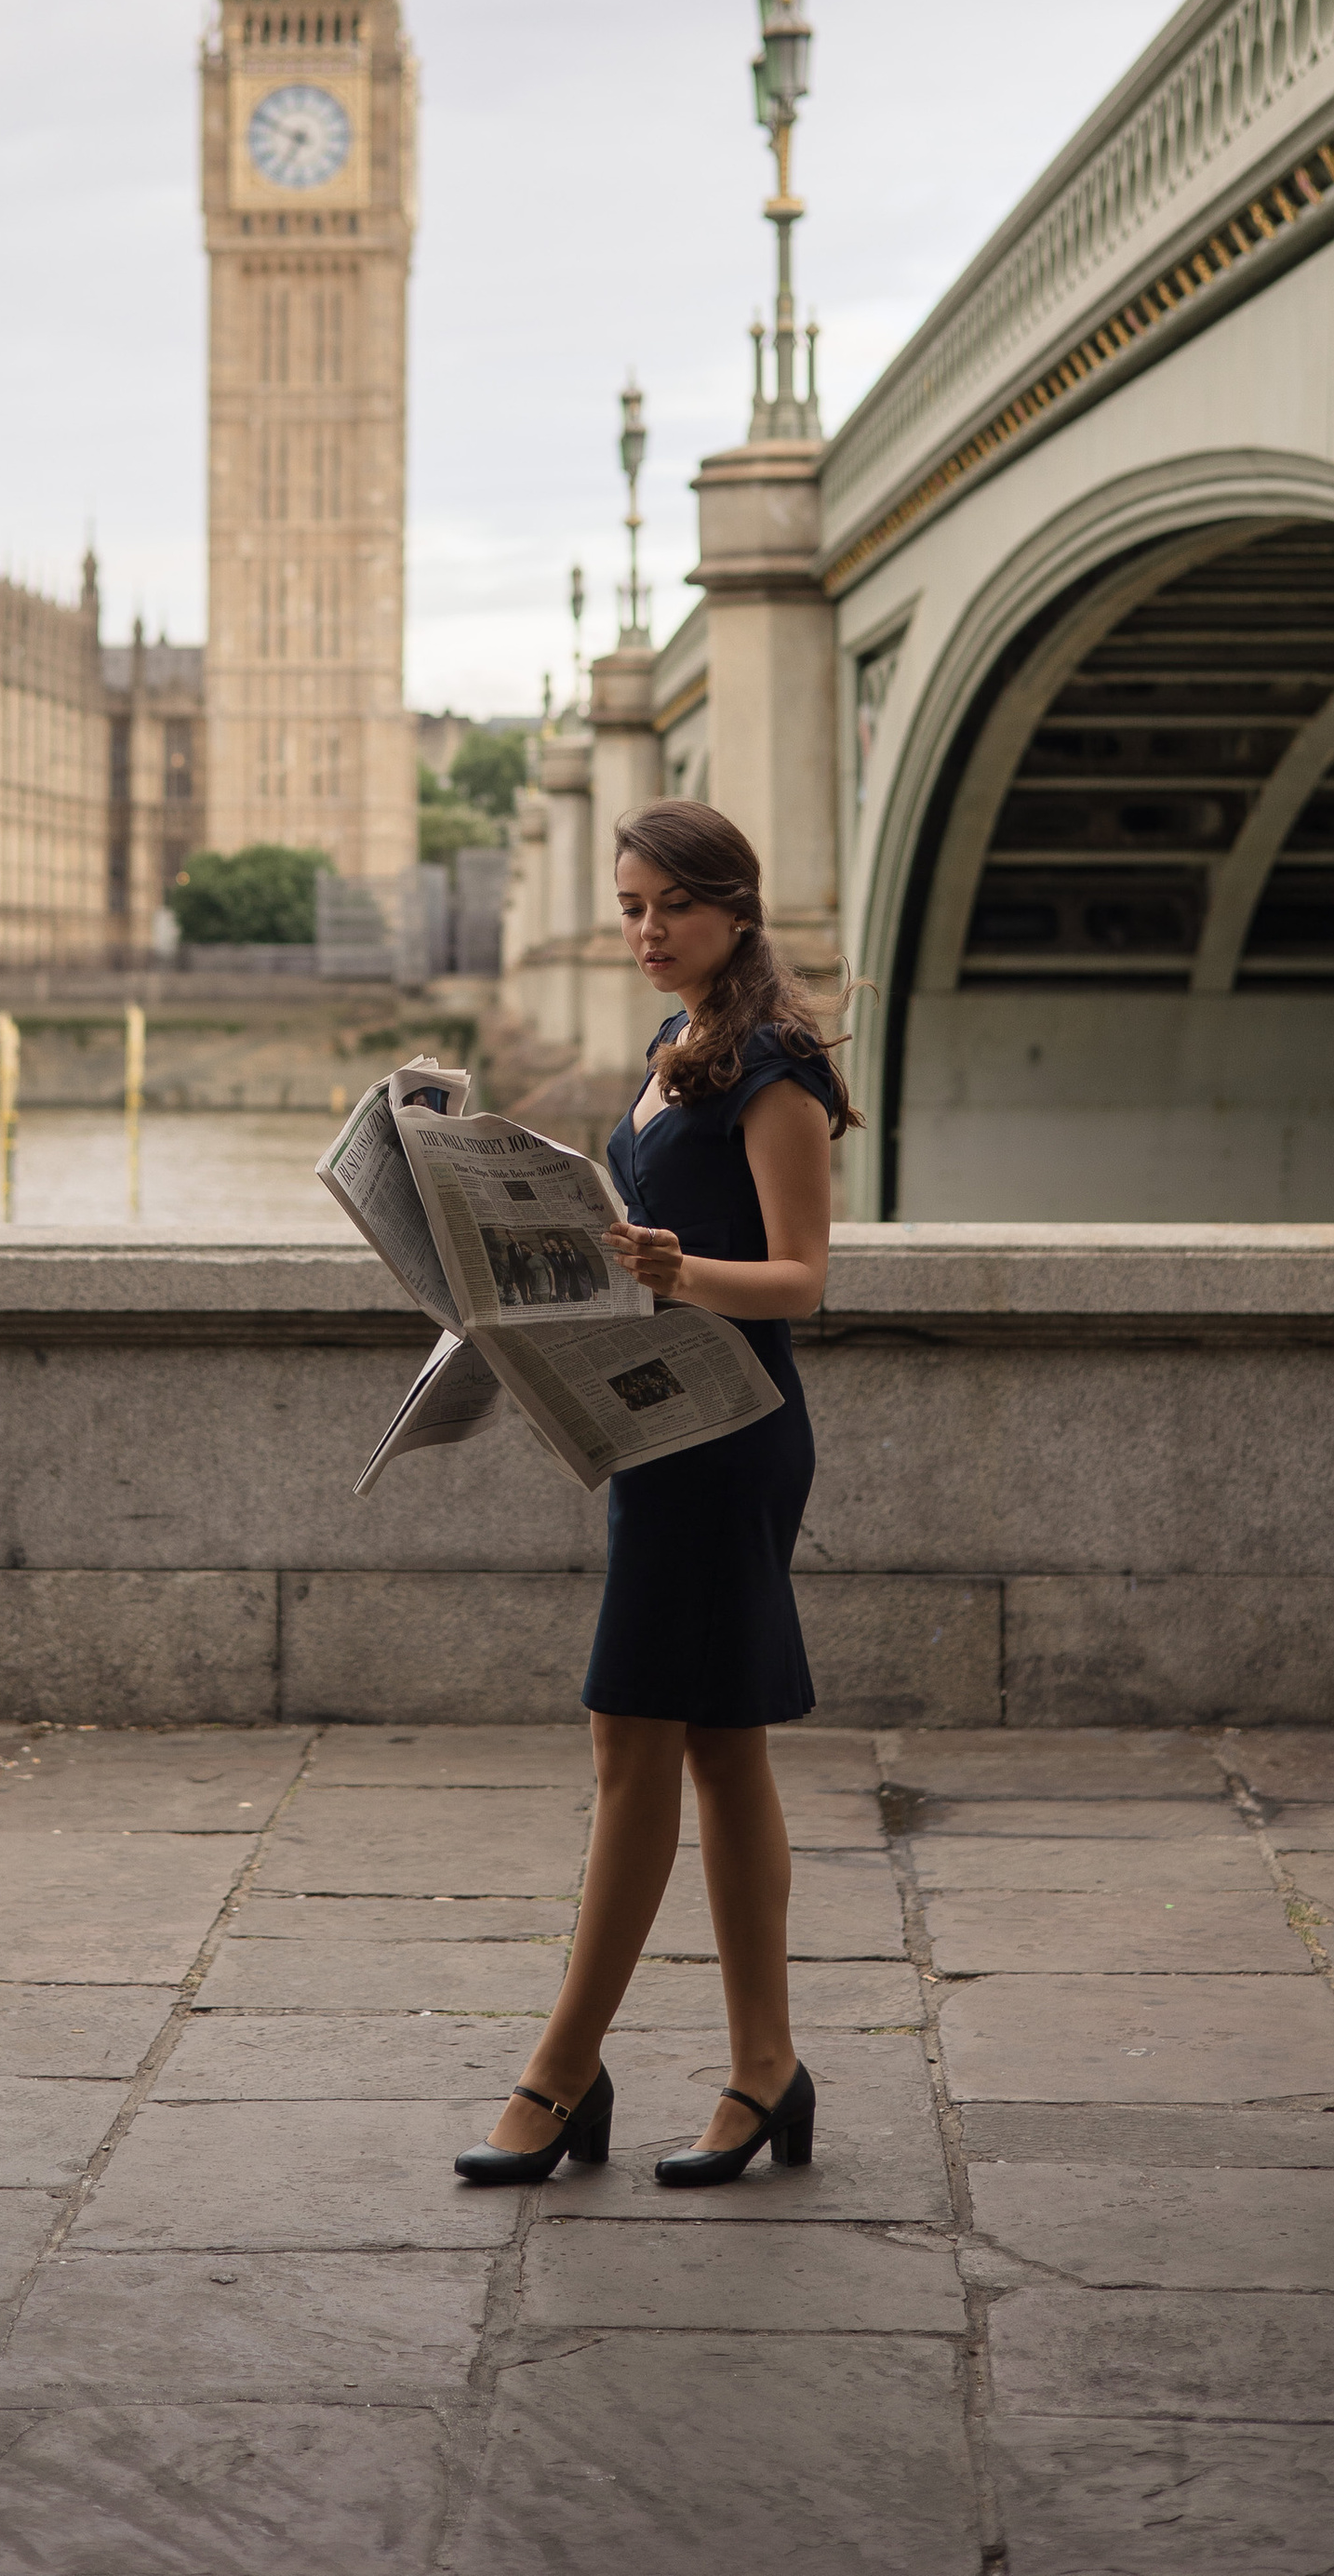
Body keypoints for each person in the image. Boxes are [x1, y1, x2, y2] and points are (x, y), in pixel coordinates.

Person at [452, 798, 859, 2192]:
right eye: (628, 906)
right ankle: (766, 2072)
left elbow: (802, 1275)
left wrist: (675, 1272)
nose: (642, 929)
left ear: (734, 908)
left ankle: (564, 2073)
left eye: (667, 907)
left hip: (733, 1432)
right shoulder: (669, 1050)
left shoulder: (776, 1067)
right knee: (721, 1750)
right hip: (660, 1424)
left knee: (633, 1740)